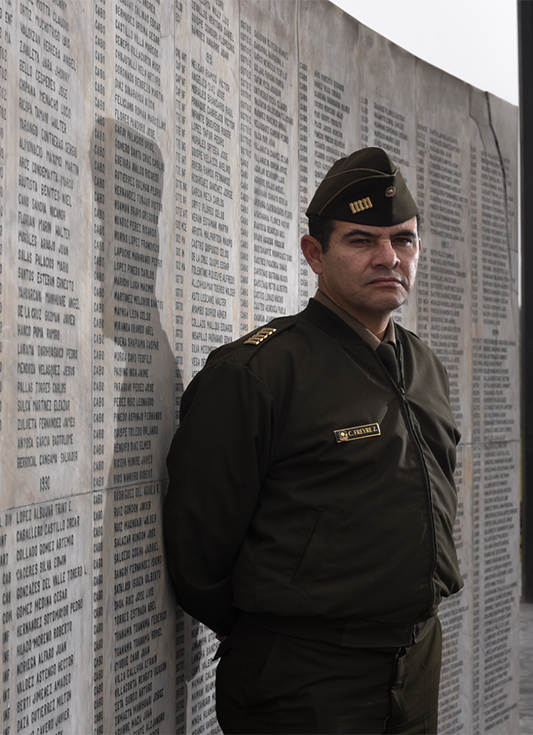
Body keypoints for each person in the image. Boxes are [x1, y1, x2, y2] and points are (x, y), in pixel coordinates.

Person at [163, 147, 463, 734]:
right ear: (314, 254)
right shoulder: (258, 373)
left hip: (417, 659)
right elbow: (199, 550)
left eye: (403, 241)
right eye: (361, 241)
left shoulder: (423, 364)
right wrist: (280, 632)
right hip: (305, 677)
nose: (388, 258)